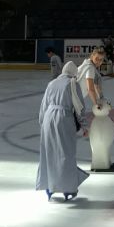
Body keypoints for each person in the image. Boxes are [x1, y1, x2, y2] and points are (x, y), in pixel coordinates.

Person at [36, 61, 89, 201]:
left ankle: (49, 186)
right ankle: (67, 188)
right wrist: (84, 126)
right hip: (63, 118)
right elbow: (79, 107)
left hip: (48, 118)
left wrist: (42, 123)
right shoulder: (72, 84)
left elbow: (44, 105)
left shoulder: (52, 83)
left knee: (49, 153)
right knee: (66, 153)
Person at [77, 47, 106, 114]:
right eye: (97, 58)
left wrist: (100, 97)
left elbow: (95, 85)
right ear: (92, 56)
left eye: (101, 60)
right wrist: (96, 104)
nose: (99, 61)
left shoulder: (85, 64)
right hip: (74, 99)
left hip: (73, 97)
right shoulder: (90, 68)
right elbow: (90, 89)